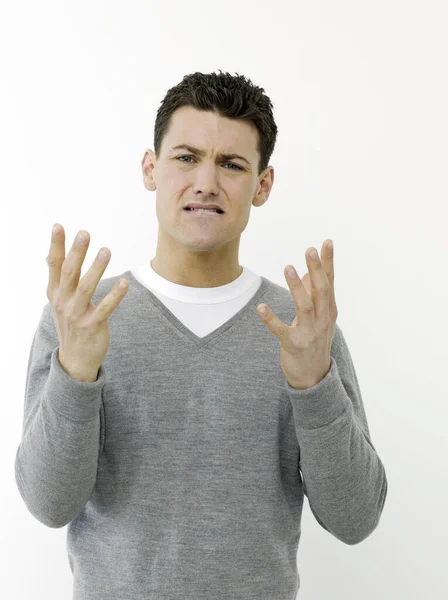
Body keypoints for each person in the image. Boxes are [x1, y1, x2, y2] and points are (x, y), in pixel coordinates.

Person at [14, 70, 388, 600]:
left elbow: (355, 519)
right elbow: (49, 504)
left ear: (263, 185)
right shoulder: (79, 317)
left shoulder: (301, 328)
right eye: (186, 157)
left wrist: (314, 385)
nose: (206, 182)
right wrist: (76, 373)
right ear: (151, 168)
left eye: (231, 164)